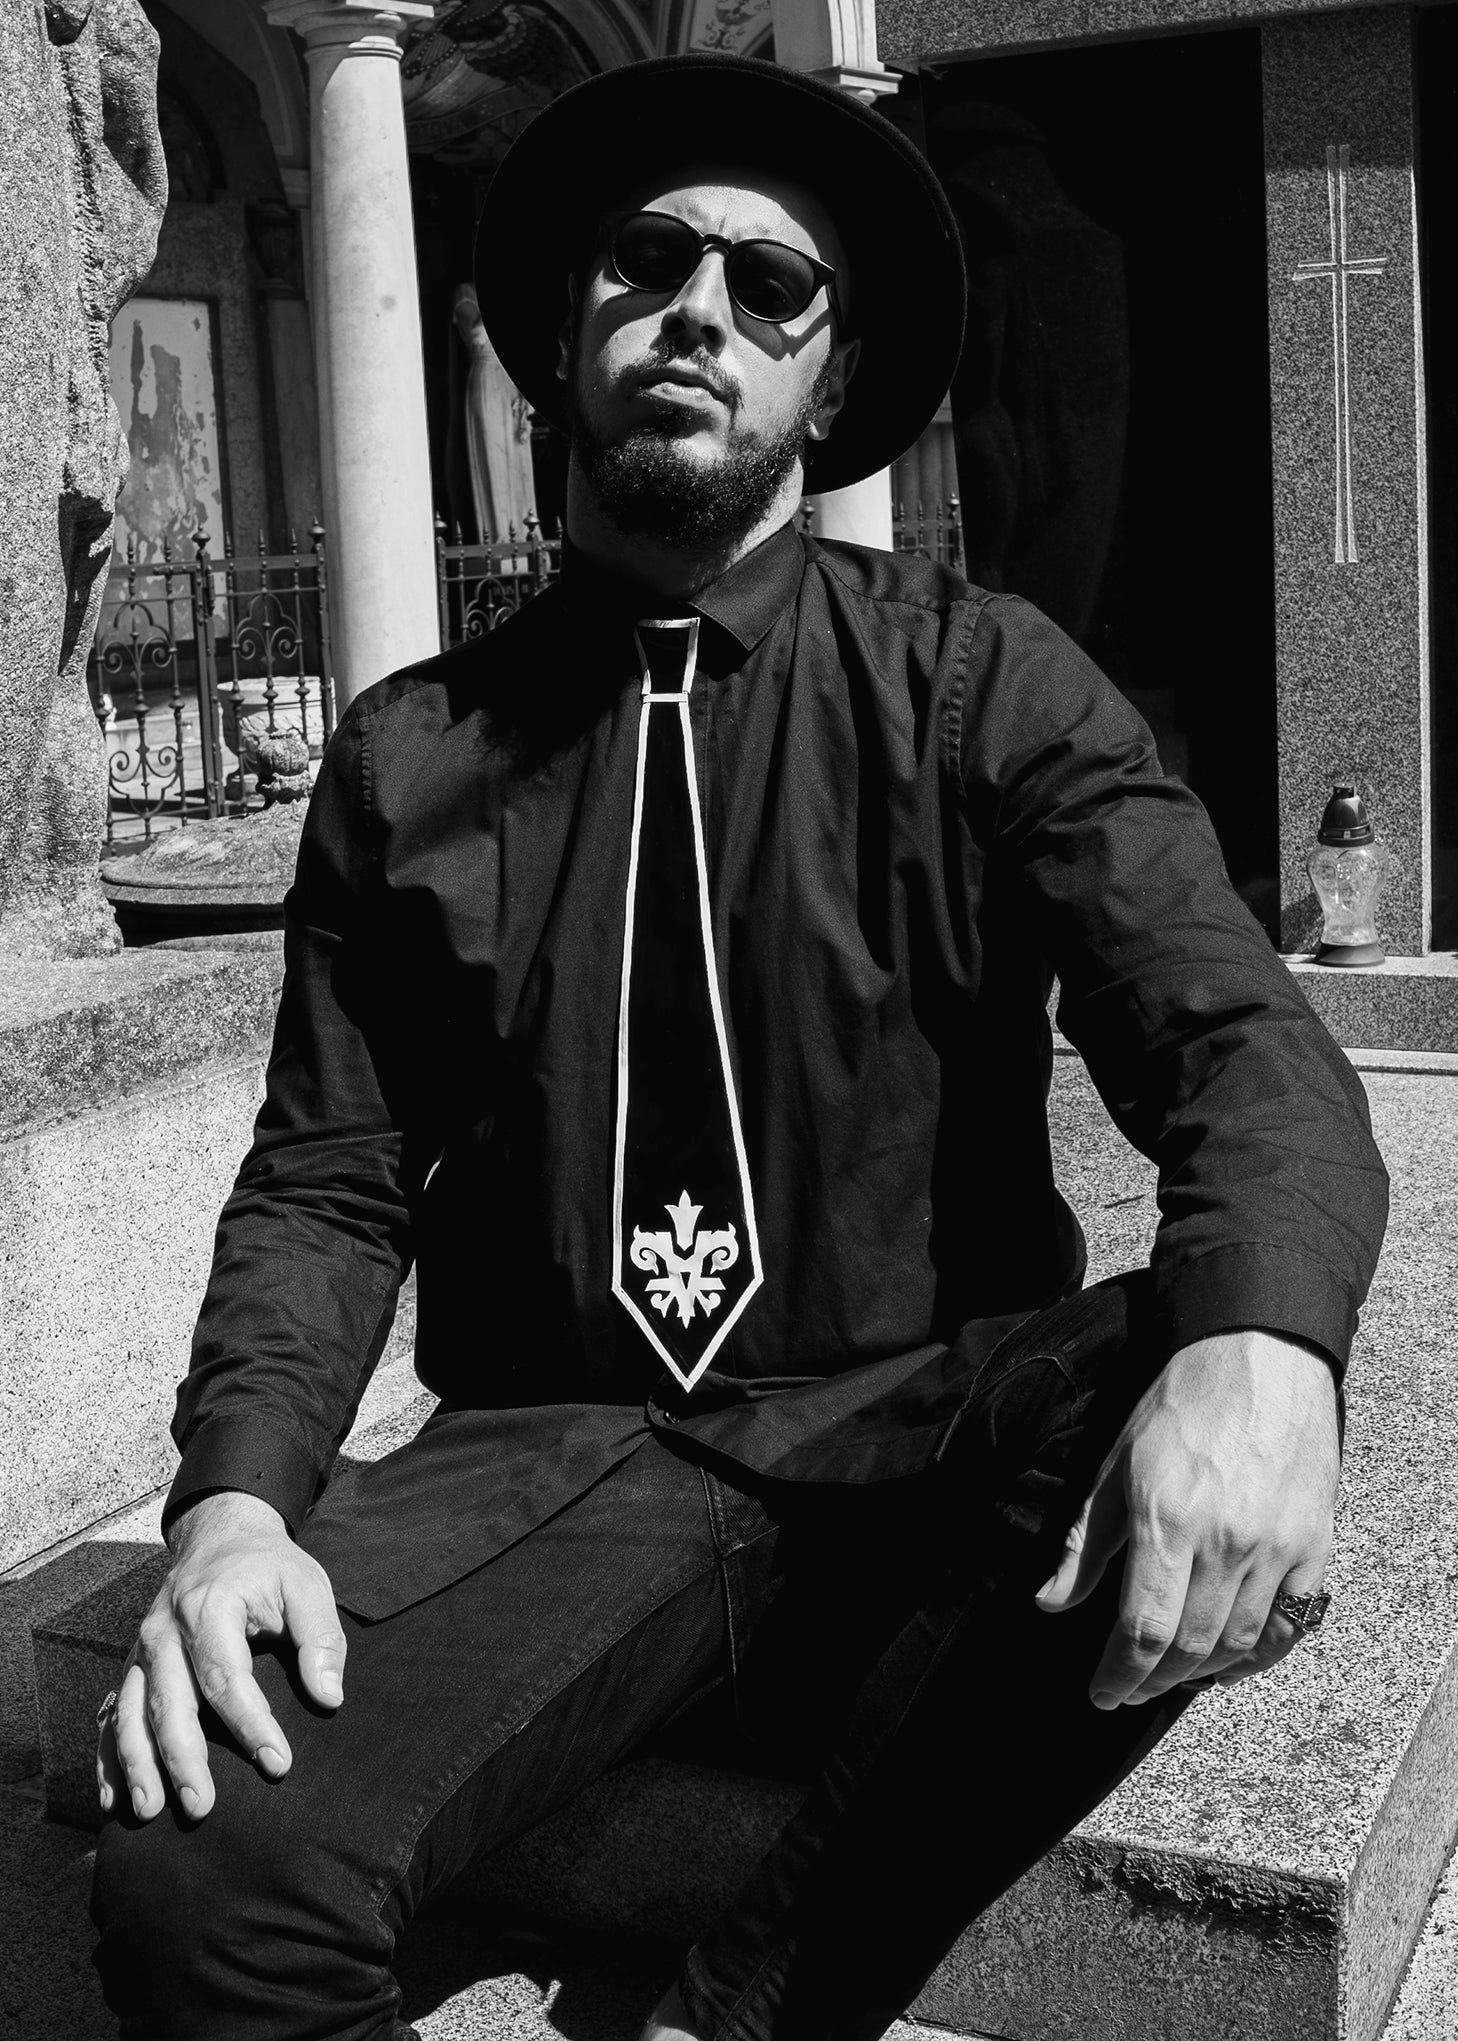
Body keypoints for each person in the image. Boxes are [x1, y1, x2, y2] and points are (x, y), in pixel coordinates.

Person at [90, 52, 1387, 2041]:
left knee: (1192, 1347)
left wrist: (1268, 1348)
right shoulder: (405, 760)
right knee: (202, 1871)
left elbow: (1232, 1031)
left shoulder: (980, 681)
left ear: (830, 373)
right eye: (650, 259)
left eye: (770, 285)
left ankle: (763, 2002)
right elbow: (327, 1177)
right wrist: (237, 1502)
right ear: (561, 330)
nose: (700, 307)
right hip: (558, 1466)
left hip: (911, 1449)